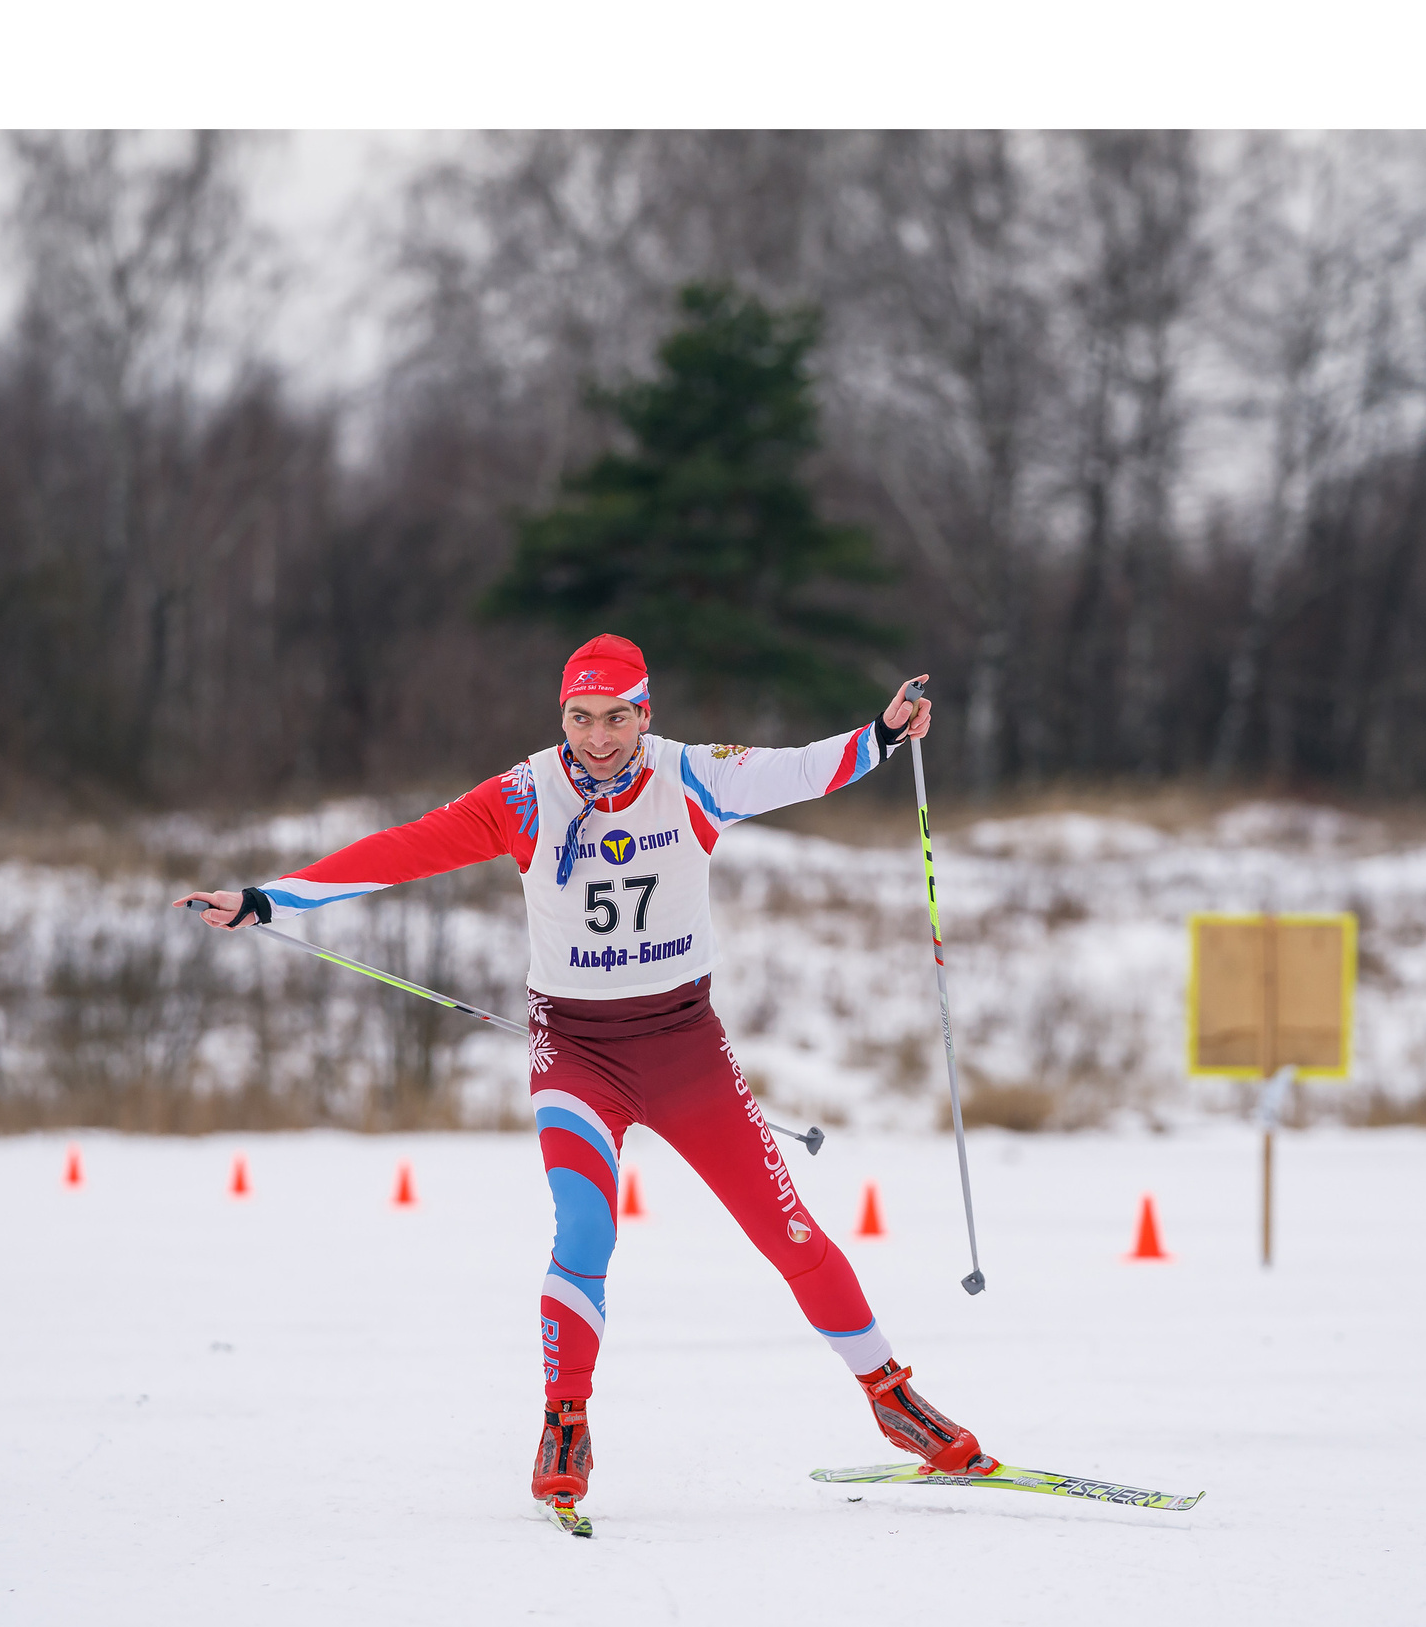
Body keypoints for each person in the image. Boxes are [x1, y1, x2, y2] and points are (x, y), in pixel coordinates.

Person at [178, 632, 991, 1517]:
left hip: (685, 1049)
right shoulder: (525, 795)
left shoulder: (695, 776)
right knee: (586, 1225)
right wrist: (267, 898)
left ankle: (890, 1396)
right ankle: (565, 1419)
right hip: (576, 1054)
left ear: (646, 714)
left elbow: (802, 769)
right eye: (579, 718)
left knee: (788, 1230)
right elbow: (402, 849)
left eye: (615, 718)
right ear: (560, 716)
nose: (597, 738)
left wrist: (882, 734)